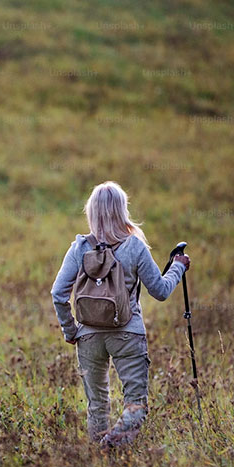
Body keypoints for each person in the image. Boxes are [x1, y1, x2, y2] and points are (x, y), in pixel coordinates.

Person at [50, 182, 190, 447]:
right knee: (135, 405)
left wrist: (70, 331)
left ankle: (99, 455)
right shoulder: (134, 247)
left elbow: (58, 294)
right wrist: (177, 267)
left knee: (97, 406)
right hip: (128, 333)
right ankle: (111, 447)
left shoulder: (79, 248)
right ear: (122, 210)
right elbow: (160, 291)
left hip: (88, 337)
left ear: (91, 211)